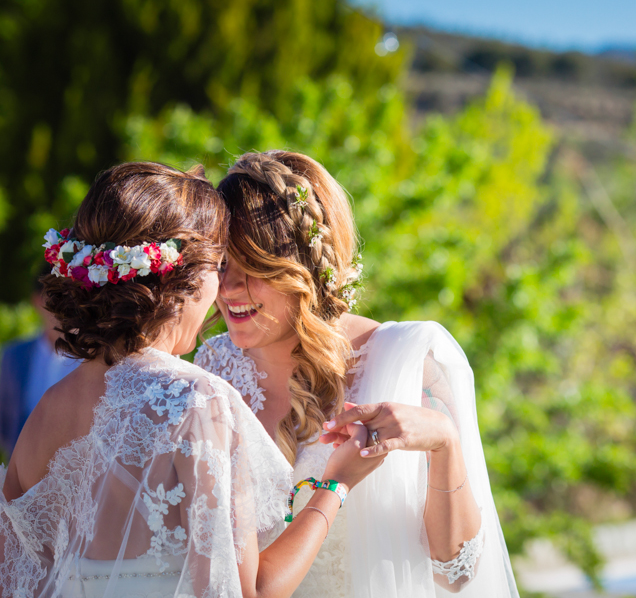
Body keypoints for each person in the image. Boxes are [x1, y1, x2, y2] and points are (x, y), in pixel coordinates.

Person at [0, 162, 384, 598]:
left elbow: (12, 578)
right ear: (183, 278)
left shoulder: (47, 410)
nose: (223, 287)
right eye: (219, 265)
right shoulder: (195, 400)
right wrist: (337, 484)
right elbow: (249, 590)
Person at [194, 150, 519, 597]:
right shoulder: (212, 366)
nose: (229, 289)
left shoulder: (407, 362)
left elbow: (457, 572)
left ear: (302, 269)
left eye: (252, 268)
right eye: (221, 265)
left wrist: (445, 442)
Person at [0, 268, 80, 458]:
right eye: (56, 296)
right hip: (23, 478)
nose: (65, 306)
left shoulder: (100, 358)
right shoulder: (14, 355)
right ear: (37, 300)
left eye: (73, 295)